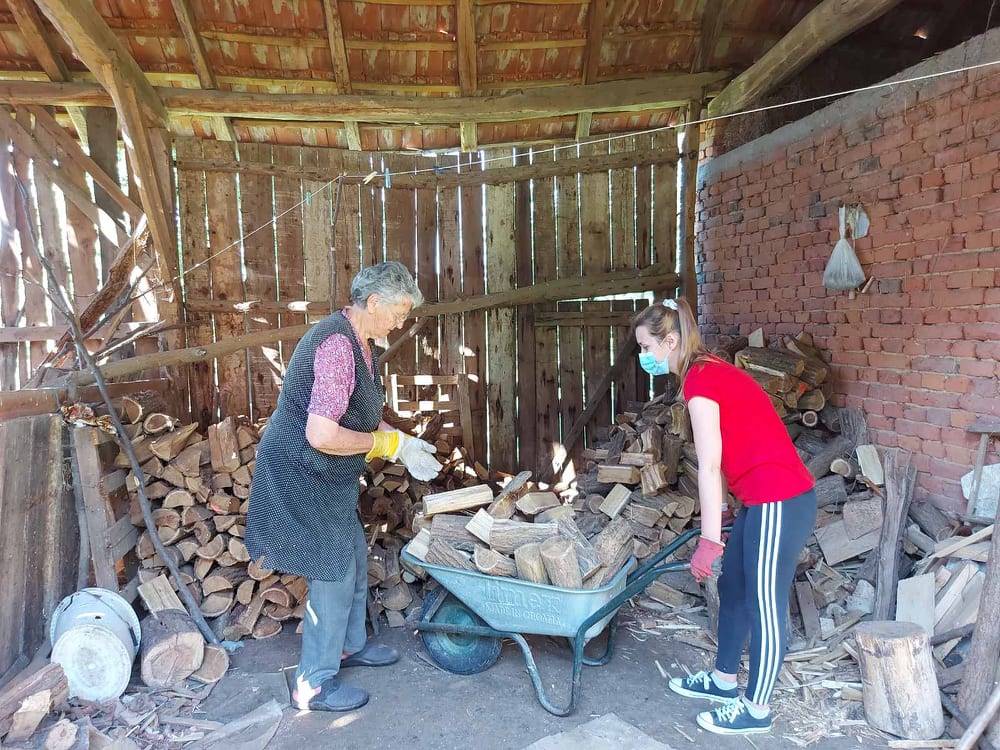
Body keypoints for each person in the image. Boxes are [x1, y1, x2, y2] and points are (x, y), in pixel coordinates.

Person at [246, 262, 442, 713]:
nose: (401, 321)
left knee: (353, 555)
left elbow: (360, 412)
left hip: (328, 477)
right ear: (373, 303)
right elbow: (321, 434)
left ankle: (349, 647)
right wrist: (384, 443)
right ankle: (314, 683)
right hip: (301, 474)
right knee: (332, 573)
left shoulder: (363, 345)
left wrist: (403, 442)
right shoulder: (337, 346)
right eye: (398, 312)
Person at [632, 298, 817, 736]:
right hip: (759, 499)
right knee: (733, 586)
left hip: (781, 499)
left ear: (670, 342)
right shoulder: (705, 370)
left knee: (766, 606)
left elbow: (710, 465)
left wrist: (709, 541)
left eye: (645, 347)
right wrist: (734, 505)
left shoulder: (701, 381)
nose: (643, 357)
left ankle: (757, 710)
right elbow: (742, 441)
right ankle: (723, 682)